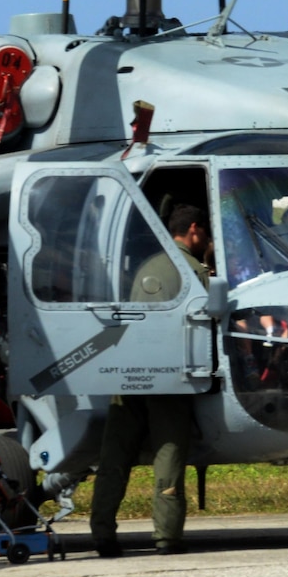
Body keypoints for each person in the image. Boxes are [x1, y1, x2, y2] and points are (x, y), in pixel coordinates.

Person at [92, 206, 211, 557]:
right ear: (193, 230)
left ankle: (102, 533)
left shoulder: (146, 267)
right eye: (204, 232)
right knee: (168, 457)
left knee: (115, 457)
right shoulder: (195, 271)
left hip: (128, 374)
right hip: (170, 377)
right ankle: (167, 536)